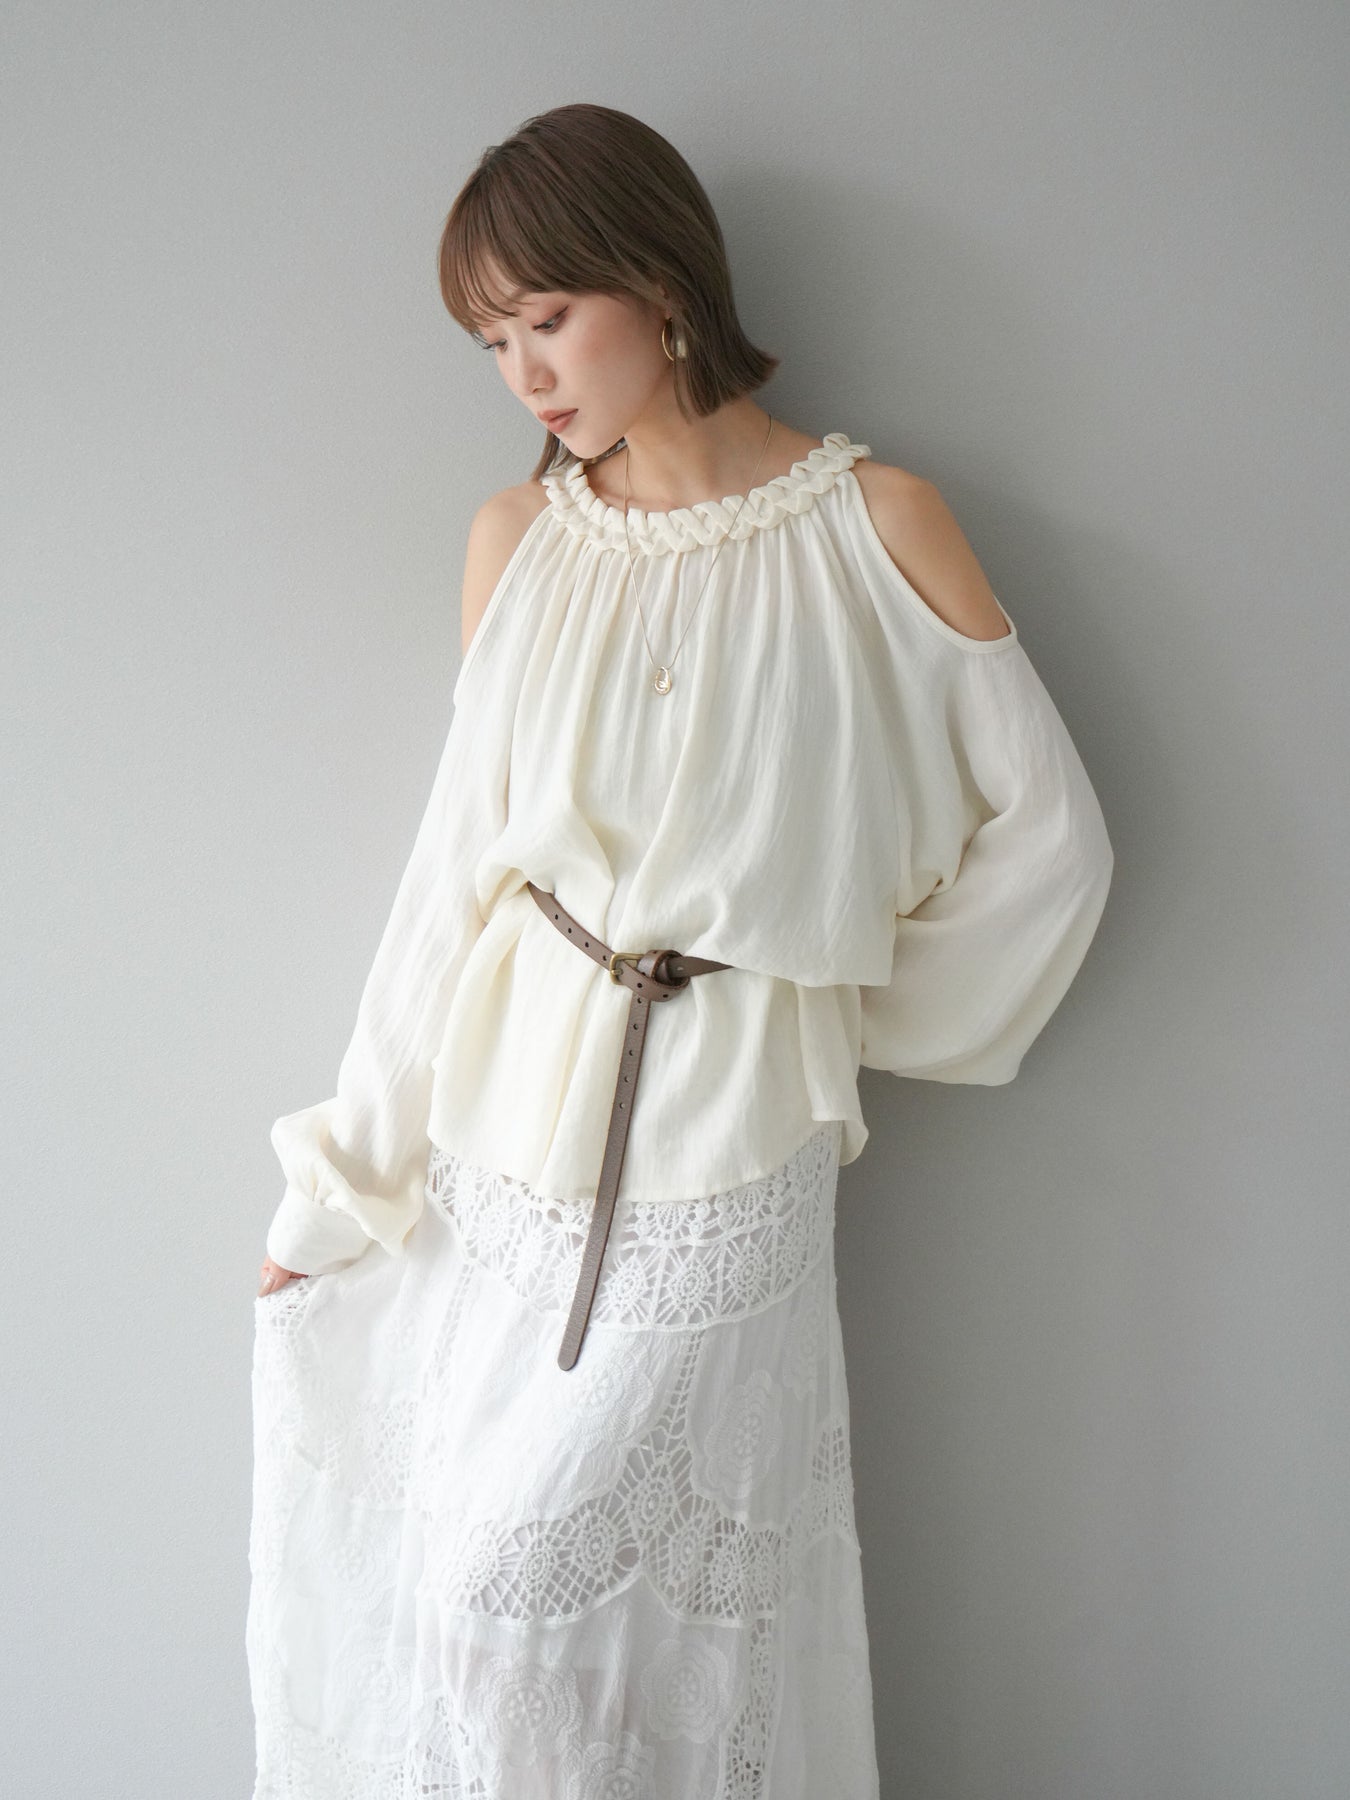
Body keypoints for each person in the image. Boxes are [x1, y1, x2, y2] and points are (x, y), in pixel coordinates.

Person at [246, 103, 1114, 1798]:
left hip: (728, 1136)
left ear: (657, 282)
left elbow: (1054, 847)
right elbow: (449, 887)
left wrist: (828, 1014)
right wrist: (341, 1179)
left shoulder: (881, 524)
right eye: (490, 341)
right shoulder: (517, 541)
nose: (522, 375)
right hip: (500, 1129)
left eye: (545, 318)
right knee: (467, 1614)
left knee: (570, 1607)